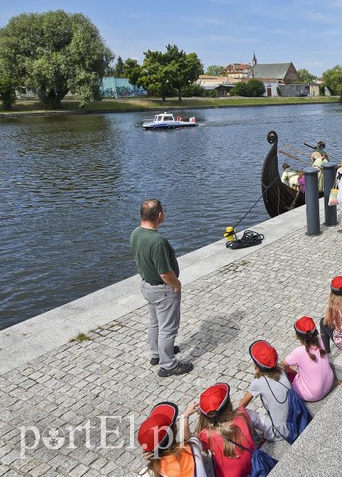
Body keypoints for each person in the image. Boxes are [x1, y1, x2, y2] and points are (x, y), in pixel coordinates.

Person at [130, 199, 192, 377]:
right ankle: (169, 364)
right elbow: (165, 273)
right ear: (159, 215)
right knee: (168, 328)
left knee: (154, 322)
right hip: (162, 289)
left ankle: (156, 354)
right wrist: (177, 285)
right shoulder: (158, 241)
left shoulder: (135, 233)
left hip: (146, 286)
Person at [196, 383, 255, 476]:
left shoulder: (206, 435)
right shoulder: (242, 414)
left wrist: (185, 417)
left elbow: (190, 444)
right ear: (228, 404)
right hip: (253, 466)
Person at [239, 340, 292, 442]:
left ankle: (257, 440)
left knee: (244, 413)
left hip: (279, 432)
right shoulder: (281, 369)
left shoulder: (257, 382)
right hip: (296, 420)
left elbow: (241, 405)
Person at [138, 401, 201, 476]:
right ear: (175, 430)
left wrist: (154, 459)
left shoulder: (145, 474)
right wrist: (185, 416)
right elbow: (190, 439)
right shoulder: (193, 449)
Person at [280, 316, 335, 402]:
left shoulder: (298, 352)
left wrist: (293, 372)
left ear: (297, 336)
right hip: (330, 382)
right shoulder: (320, 340)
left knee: (287, 375)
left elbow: (282, 366)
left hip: (313, 395)